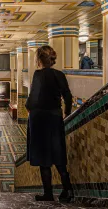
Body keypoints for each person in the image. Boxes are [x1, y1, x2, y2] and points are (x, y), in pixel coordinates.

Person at [25, 45, 74, 203]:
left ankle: (48, 193)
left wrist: (28, 107)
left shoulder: (38, 74)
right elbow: (67, 96)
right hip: (55, 117)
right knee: (58, 154)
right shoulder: (60, 74)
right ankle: (68, 190)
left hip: (40, 118)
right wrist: (66, 113)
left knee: (43, 157)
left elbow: (34, 96)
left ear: (39, 59)